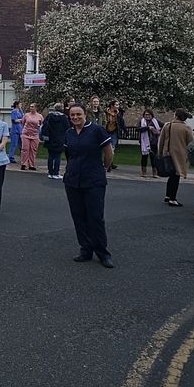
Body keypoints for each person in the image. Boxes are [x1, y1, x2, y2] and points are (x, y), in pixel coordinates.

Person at [63, 103, 114, 268]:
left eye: (78, 114)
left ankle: (102, 253)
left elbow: (108, 151)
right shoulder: (68, 133)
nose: (75, 117)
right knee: (78, 216)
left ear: (85, 114)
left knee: (95, 217)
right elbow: (69, 154)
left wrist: (105, 168)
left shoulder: (96, 130)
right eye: (72, 115)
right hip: (72, 180)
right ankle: (85, 249)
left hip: (93, 180)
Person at [157, 108, 194, 207]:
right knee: (176, 176)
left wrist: (160, 152)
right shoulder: (186, 128)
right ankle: (173, 198)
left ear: (176, 116)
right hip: (180, 154)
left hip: (167, 153)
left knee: (171, 175)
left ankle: (168, 195)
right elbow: (191, 143)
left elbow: (162, 140)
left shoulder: (167, 125)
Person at [41, 102, 69, 179]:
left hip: (50, 139)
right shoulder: (64, 118)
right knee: (57, 157)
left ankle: (50, 172)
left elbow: (44, 125)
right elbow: (67, 129)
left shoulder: (50, 116)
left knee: (50, 156)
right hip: (60, 139)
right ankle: (56, 173)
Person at [137, 109, 161, 178]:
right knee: (144, 157)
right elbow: (138, 129)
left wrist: (158, 131)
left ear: (151, 115)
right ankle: (143, 172)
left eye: (149, 115)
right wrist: (147, 128)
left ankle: (155, 172)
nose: (147, 116)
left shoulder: (155, 121)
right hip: (144, 142)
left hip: (154, 142)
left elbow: (163, 126)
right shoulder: (141, 121)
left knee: (153, 157)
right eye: (146, 115)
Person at [104, 100, 126, 171]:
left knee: (112, 149)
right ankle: (106, 163)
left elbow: (122, 123)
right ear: (112, 106)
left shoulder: (119, 114)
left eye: (118, 105)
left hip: (114, 132)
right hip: (106, 132)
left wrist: (125, 131)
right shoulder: (105, 113)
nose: (118, 106)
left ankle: (109, 164)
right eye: (116, 105)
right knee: (106, 149)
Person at [20, 103, 43, 170]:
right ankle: (24, 164)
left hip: (35, 135)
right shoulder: (26, 115)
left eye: (32, 107)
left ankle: (31, 165)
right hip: (26, 134)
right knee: (25, 149)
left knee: (33, 150)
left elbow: (41, 124)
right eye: (30, 107)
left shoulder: (40, 116)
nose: (31, 108)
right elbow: (23, 123)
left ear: (36, 108)